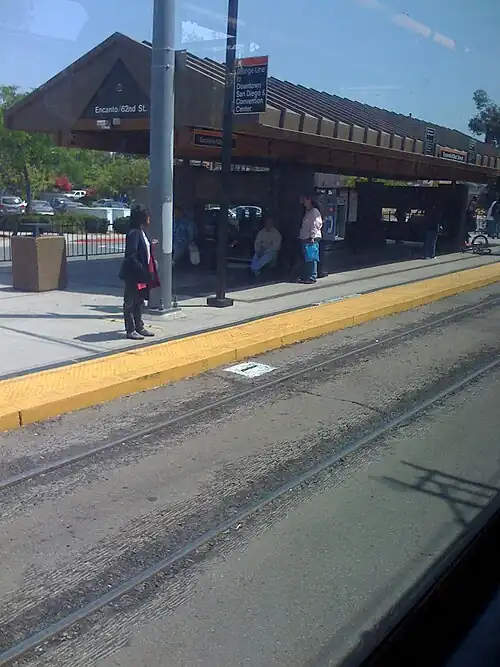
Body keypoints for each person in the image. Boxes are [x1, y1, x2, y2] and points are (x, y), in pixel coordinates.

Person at [118, 204, 159, 340]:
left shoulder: (141, 232)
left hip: (141, 274)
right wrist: (141, 270)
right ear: (141, 217)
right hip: (133, 274)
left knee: (140, 301)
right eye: (147, 216)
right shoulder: (134, 233)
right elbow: (131, 255)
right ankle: (130, 330)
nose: (149, 219)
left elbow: (142, 250)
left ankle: (139, 327)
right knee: (130, 302)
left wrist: (150, 246)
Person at [298, 195, 323, 283]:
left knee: (311, 257)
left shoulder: (314, 211)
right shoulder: (308, 211)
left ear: (310, 200)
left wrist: (312, 236)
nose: (304, 202)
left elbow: (316, 224)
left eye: (305, 199)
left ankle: (312, 276)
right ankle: (307, 275)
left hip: (310, 237)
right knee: (308, 257)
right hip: (305, 237)